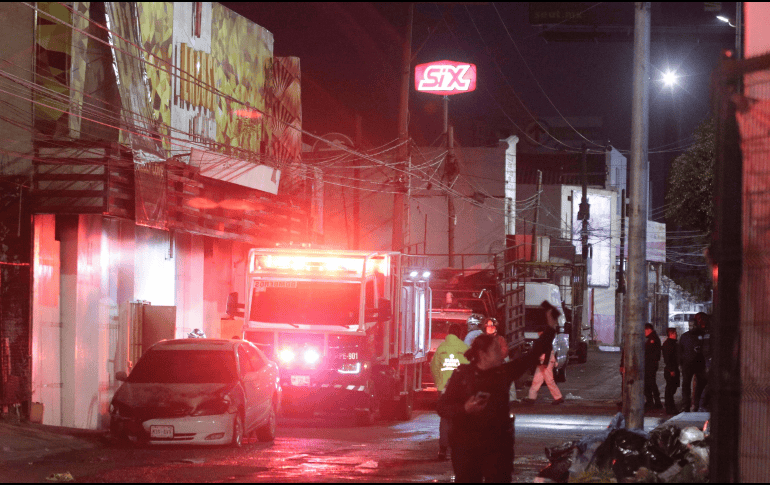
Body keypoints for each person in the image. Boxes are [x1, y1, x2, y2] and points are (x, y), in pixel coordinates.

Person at [437, 333, 536, 483]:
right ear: (482, 354)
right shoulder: (462, 375)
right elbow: (442, 407)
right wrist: (465, 408)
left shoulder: (503, 373)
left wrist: (550, 329)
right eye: (495, 349)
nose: (500, 353)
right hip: (467, 449)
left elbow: (531, 357)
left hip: (497, 451)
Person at [430, 323, 469, 461]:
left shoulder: (441, 348)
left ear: (448, 333)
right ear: (460, 334)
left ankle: (442, 449)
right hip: (460, 390)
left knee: (445, 419)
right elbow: (470, 368)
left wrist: (439, 383)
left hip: (444, 389)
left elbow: (434, 367)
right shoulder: (464, 348)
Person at [525, 301, 564, 405]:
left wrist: (545, 362)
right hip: (544, 363)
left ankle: (558, 397)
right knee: (538, 380)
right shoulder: (545, 340)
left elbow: (547, 352)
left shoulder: (544, 341)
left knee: (546, 380)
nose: (538, 334)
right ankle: (532, 398)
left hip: (545, 363)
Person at [679, 312, 708, 412]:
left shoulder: (702, 335)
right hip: (687, 364)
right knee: (686, 385)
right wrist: (680, 363)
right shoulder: (685, 336)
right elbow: (680, 350)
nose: (691, 327)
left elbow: (706, 348)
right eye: (690, 325)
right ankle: (686, 405)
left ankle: (697, 405)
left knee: (700, 386)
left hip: (699, 364)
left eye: (693, 325)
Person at [661, 327, 680, 415]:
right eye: (674, 333)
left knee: (671, 388)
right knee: (670, 389)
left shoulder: (671, 343)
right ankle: (670, 407)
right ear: (671, 334)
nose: (676, 335)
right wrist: (671, 369)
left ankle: (670, 406)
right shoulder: (669, 344)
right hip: (671, 369)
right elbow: (668, 358)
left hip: (672, 368)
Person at [643, 323, 663, 410]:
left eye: (644, 331)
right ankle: (652, 401)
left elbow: (650, 353)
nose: (644, 333)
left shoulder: (653, 339)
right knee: (649, 383)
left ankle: (654, 402)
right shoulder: (653, 338)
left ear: (648, 330)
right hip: (651, 364)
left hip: (650, 365)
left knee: (650, 383)